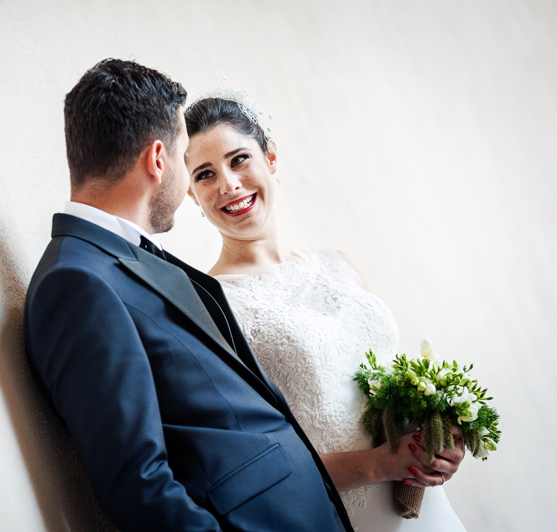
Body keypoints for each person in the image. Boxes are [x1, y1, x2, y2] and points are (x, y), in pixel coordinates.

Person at [24, 59, 354, 532]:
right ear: (158, 160)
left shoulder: (122, 258)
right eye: (185, 160)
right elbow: (136, 485)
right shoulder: (76, 282)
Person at [183, 91, 467, 531]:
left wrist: (441, 438)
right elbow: (246, 466)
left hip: (425, 510)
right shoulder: (209, 305)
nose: (228, 184)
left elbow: (399, 384)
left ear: (270, 156)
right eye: (205, 174)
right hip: (337, 516)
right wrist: (375, 465)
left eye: (239, 159)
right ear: (191, 195)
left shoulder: (339, 264)